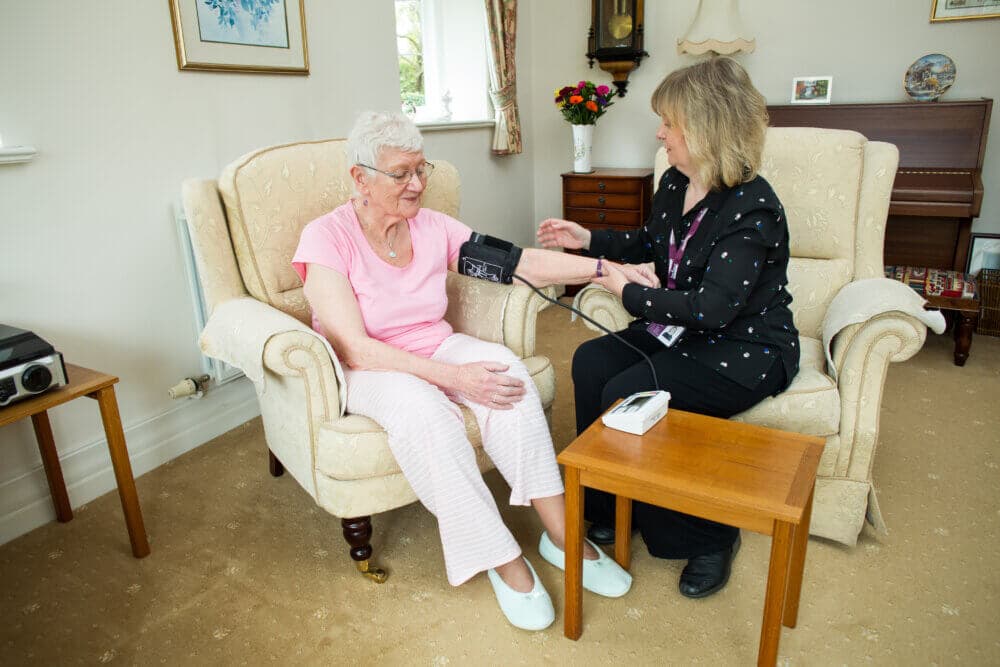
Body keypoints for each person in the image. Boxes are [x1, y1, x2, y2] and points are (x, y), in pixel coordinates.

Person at [291, 111, 631, 632]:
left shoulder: (432, 226)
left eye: (421, 168)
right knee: (430, 417)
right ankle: (502, 559)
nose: (419, 184)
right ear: (360, 178)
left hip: (433, 341)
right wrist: (453, 380)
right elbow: (355, 348)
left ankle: (561, 533)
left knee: (506, 376)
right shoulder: (326, 238)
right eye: (401, 174)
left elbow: (520, 263)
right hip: (370, 367)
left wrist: (604, 270)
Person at [537, 57, 800, 599]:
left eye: (670, 123)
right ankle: (613, 503)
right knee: (590, 361)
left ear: (708, 126)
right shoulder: (677, 181)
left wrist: (624, 290)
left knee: (628, 393)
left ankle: (706, 537)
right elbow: (649, 244)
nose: (660, 133)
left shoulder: (755, 208)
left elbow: (713, 310)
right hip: (681, 332)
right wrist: (587, 239)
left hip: (744, 349)